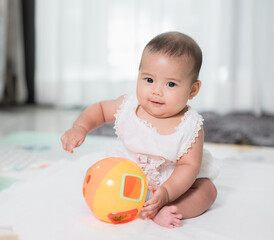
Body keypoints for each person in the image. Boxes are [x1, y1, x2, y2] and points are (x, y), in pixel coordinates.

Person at [61, 32, 219, 228]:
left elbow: (189, 166)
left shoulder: (190, 125)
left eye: (170, 84)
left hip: (171, 181)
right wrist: (80, 127)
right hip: (128, 172)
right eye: (149, 80)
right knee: (96, 174)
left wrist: (167, 192)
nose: (156, 91)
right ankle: (134, 203)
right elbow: (100, 110)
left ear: (193, 90)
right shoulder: (129, 106)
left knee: (207, 191)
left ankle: (162, 209)